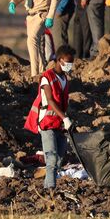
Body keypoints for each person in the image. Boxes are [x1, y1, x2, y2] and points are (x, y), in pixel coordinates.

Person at [24, 45, 75, 192]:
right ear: (59, 60)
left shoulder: (64, 78)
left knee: (59, 158)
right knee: (51, 158)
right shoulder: (47, 77)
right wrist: (65, 118)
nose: (70, 65)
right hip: (47, 123)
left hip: (58, 123)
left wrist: (66, 119)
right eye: (68, 62)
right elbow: (51, 100)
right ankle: (50, 189)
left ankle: (49, 182)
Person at [9, 0, 59, 77]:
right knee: (35, 45)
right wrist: (13, 2)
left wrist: (50, 15)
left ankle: (34, 74)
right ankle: (43, 71)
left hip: (41, 14)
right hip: (30, 15)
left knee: (31, 41)